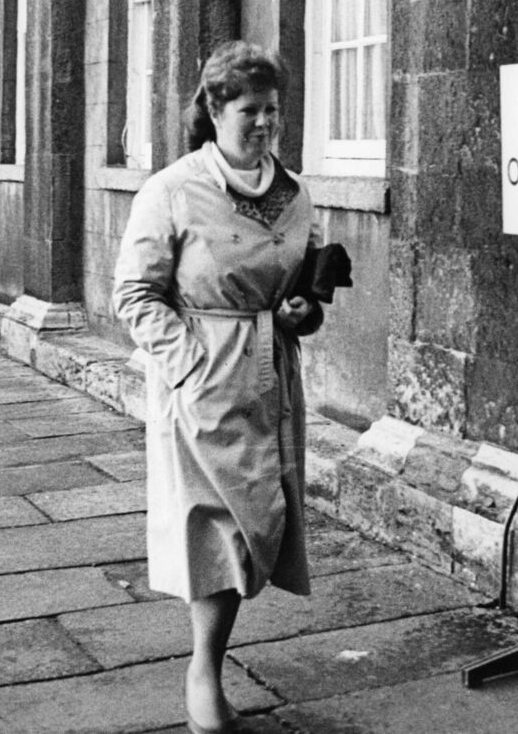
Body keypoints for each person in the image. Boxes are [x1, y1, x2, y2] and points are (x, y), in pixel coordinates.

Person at [113, 41, 323, 734]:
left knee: (260, 523)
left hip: (269, 374)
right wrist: (191, 365)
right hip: (202, 375)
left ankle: (211, 660)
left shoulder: (293, 193)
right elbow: (135, 295)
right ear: (213, 108)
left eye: (273, 110)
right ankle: (204, 671)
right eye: (248, 110)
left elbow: (302, 289)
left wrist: (302, 310)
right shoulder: (172, 190)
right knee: (219, 528)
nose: (264, 123)